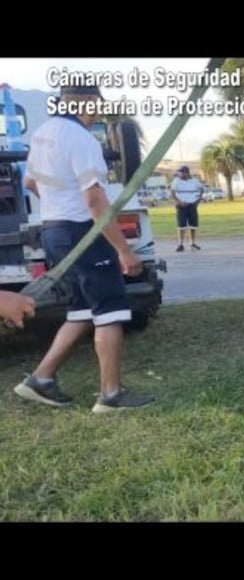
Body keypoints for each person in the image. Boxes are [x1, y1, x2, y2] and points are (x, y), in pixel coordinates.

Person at [14, 82, 154, 412]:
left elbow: (30, 182)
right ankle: (111, 395)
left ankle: (41, 379)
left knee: (83, 310)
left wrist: (59, 204)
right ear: (89, 101)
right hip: (82, 233)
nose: (99, 112)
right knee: (110, 309)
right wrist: (124, 251)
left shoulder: (43, 133)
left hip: (54, 231)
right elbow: (94, 201)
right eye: (98, 105)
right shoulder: (81, 138)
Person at [169, 165, 204, 252]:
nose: (179, 174)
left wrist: (198, 200)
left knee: (193, 225)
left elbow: (202, 189)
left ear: (186, 173)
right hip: (181, 206)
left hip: (192, 205)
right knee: (181, 225)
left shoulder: (194, 181)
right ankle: (180, 244)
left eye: (181, 172)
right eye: (179, 172)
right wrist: (179, 202)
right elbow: (172, 192)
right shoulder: (176, 181)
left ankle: (192, 243)